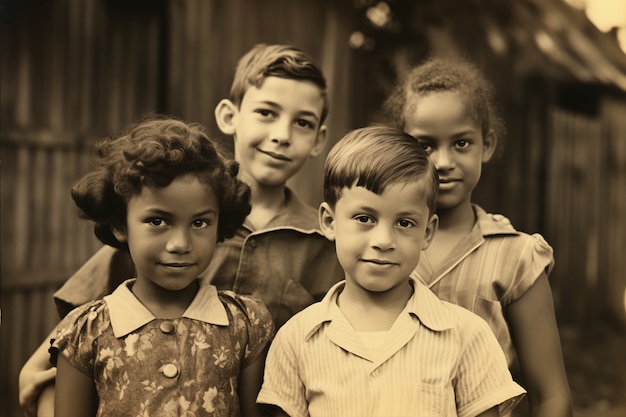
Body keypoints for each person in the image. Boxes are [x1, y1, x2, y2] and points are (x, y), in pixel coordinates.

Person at [19, 43, 344, 417]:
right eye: (267, 113)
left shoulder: (327, 245)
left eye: (302, 122)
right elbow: (57, 354)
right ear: (229, 116)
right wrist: (38, 382)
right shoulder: (158, 221)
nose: (282, 135)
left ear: (319, 138)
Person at [257, 125, 526, 417]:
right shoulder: (296, 339)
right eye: (364, 218)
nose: (384, 241)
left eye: (405, 223)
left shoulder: (466, 336)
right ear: (329, 221)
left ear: (427, 232)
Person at [382, 56, 572, 417]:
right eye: (424, 145)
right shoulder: (375, 248)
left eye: (461, 144)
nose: (442, 161)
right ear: (400, 146)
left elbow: (551, 395)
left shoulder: (516, 257)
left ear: (486, 145)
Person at [49, 116, 274, 416]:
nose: (180, 243)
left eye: (199, 222)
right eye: (158, 221)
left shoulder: (245, 325)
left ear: (220, 223)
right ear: (120, 223)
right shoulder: (86, 334)